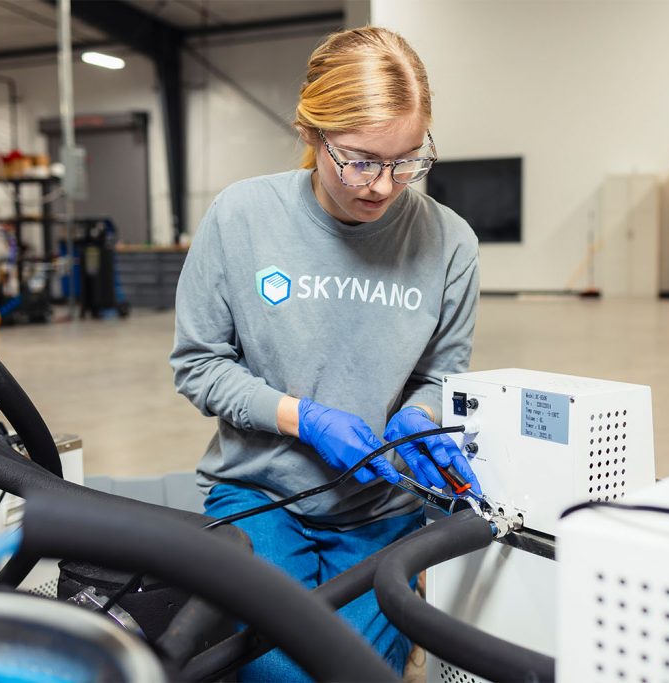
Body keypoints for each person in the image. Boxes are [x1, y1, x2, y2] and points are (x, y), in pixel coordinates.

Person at [170, 26, 480, 681]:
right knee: (278, 672)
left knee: (357, 671)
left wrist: (422, 414)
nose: (383, 185)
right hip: (259, 495)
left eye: (406, 160)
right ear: (312, 134)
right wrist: (300, 416)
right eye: (361, 159)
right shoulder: (241, 217)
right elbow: (198, 364)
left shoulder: (449, 243)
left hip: (381, 509)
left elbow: (441, 374)